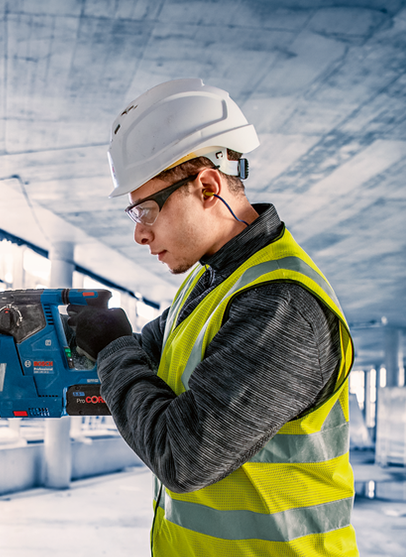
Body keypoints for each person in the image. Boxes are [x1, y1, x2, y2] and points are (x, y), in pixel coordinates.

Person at [70, 78, 359, 556]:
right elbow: (142, 362)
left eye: (146, 210)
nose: (140, 235)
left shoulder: (280, 305)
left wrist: (113, 347)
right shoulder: (209, 284)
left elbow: (183, 457)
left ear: (206, 186)